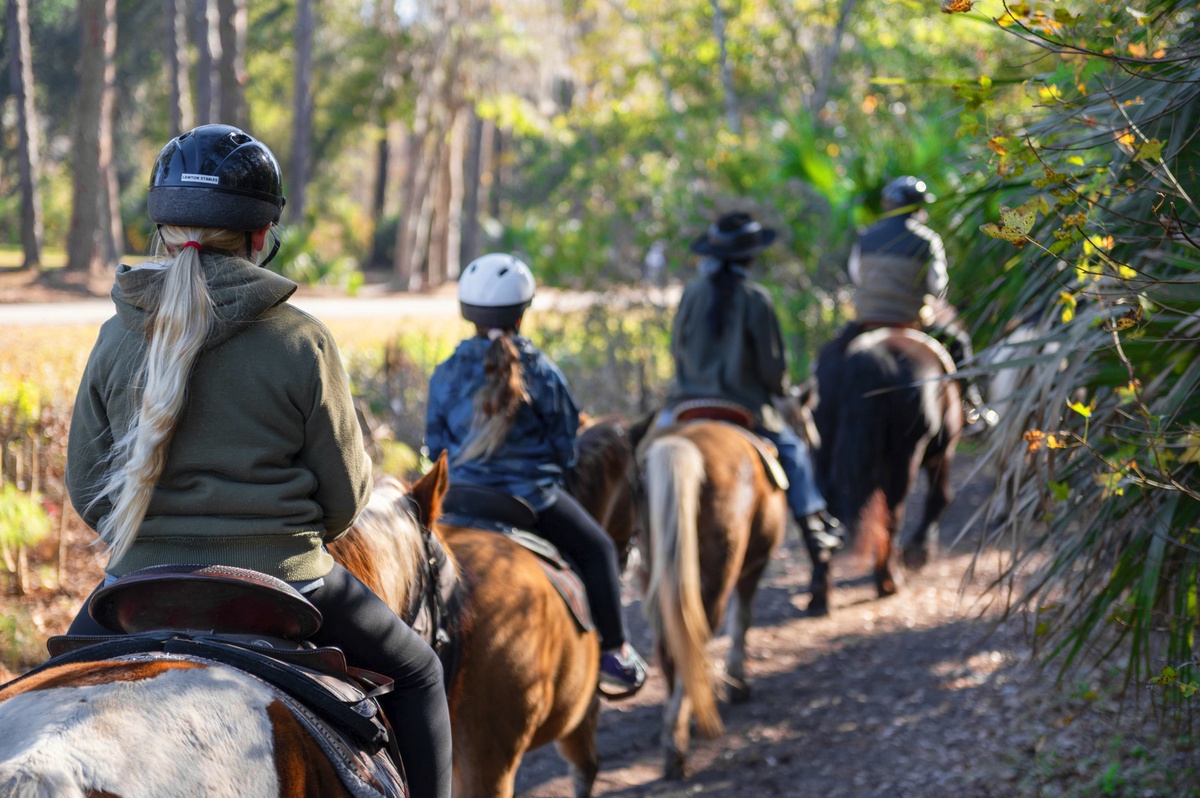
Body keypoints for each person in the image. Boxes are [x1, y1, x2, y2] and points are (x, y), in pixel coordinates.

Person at [63, 124, 451, 798]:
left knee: (47, 682)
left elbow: (87, 489)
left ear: (164, 230)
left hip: (138, 584)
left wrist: (151, 539)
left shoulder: (115, 335)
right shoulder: (302, 340)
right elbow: (345, 497)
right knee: (420, 673)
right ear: (262, 233)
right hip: (286, 581)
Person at [424, 253, 648, 699]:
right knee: (599, 549)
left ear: (468, 312)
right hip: (529, 500)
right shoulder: (541, 370)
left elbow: (435, 445)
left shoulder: (446, 371)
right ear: (522, 312)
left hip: (459, 498)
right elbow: (566, 448)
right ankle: (614, 653)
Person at [664, 211, 844, 555]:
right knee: (793, 452)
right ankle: (813, 528)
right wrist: (782, 392)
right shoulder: (756, 298)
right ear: (750, 256)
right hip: (744, 408)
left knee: (644, 453)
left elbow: (677, 349)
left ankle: (632, 535)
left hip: (685, 404)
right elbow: (772, 367)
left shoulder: (691, 293)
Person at [847, 175, 996, 428]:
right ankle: (972, 407)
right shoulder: (927, 240)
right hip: (909, 322)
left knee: (831, 354)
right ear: (918, 208)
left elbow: (857, 276)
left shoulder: (865, 237)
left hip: (867, 322)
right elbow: (938, 287)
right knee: (959, 343)